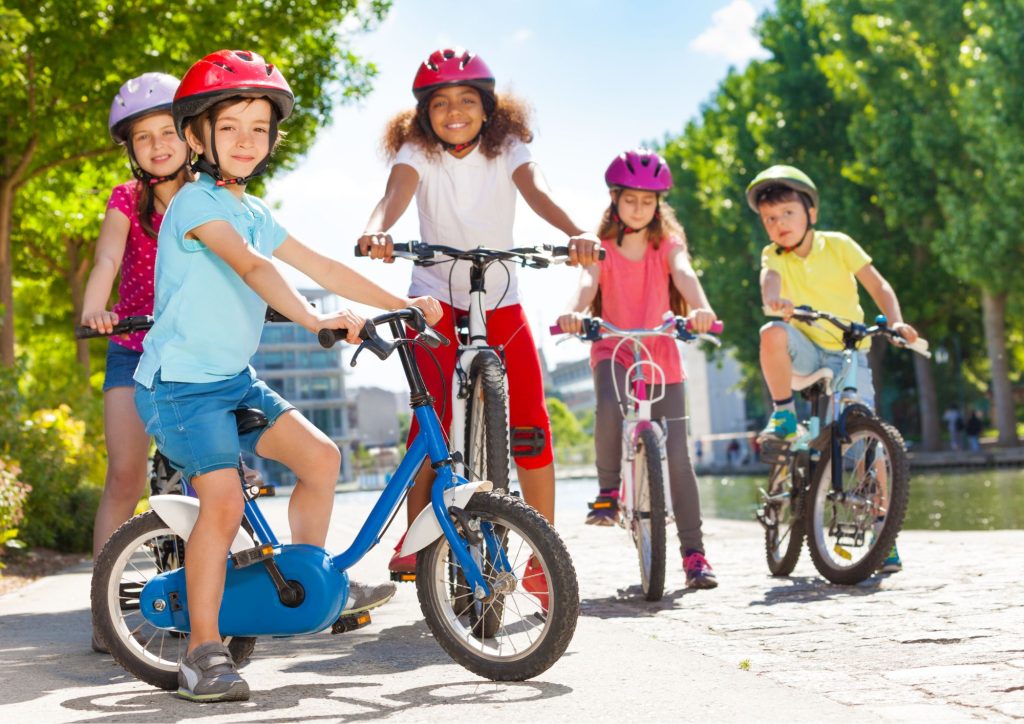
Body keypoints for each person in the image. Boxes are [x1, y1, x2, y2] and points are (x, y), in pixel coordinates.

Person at [133, 50, 442, 702]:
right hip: (181, 387)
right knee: (223, 501)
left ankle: (314, 583)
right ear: (196, 136)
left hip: (231, 379)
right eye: (231, 126)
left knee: (322, 457)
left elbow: (323, 264)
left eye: (259, 128)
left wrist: (402, 305)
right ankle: (203, 653)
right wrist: (312, 319)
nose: (247, 140)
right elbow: (252, 269)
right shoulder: (193, 204)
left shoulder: (254, 209)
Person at [357, 47, 601, 598]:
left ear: (489, 109)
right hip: (435, 303)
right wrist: (377, 229)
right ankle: (415, 541)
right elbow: (393, 194)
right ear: (425, 113)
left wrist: (577, 232)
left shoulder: (507, 147)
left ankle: (543, 558)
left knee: (533, 425)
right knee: (433, 426)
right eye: (440, 103)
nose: (454, 112)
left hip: (501, 299)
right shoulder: (417, 149)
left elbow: (537, 190)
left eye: (467, 100)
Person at [557, 149, 719, 590]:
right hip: (614, 347)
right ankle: (609, 492)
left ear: (658, 205)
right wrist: (572, 313)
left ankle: (694, 555)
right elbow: (587, 283)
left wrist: (701, 308)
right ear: (614, 199)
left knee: (680, 459)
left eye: (648, 202)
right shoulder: (602, 248)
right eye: (631, 200)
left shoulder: (667, 243)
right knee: (609, 404)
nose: (639, 209)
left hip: (661, 349)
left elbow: (684, 273)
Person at [746, 164, 919, 575]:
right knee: (771, 332)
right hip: (804, 351)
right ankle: (785, 412)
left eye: (788, 213)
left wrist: (894, 321)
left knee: (869, 441)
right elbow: (769, 284)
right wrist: (776, 303)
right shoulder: (774, 256)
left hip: (848, 350)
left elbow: (878, 285)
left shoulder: (838, 244)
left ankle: (884, 532)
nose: (779, 224)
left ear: (811, 213)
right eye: (770, 218)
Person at [80, 72, 191, 653]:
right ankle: (106, 610)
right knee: (125, 473)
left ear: (191, 134)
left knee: (214, 477)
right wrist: (95, 306)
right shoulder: (126, 199)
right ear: (131, 149)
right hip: (131, 347)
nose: (157, 144)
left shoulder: (209, 195)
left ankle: (216, 597)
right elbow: (105, 257)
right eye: (142, 137)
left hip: (196, 352)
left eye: (167, 130)